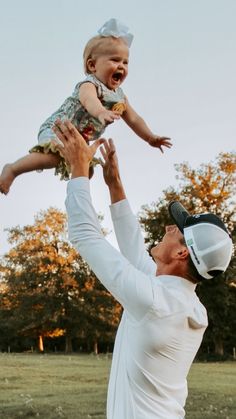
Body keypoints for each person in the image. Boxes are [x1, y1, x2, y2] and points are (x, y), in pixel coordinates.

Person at [52, 119, 233, 419]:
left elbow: (85, 234)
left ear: (181, 252)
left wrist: (78, 169)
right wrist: (115, 186)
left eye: (176, 230)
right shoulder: (177, 301)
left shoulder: (155, 302)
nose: (167, 226)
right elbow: (136, 254)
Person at [0, 18, 172, 195]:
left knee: (87, 170)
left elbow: (134, 119)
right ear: (92, 65)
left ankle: (76, 198)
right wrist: (101, 112)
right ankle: (12, 169)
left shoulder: (120, 96)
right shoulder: (89, 84)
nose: (121, 65)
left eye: (125, 62)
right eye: (114, 60)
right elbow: (89, 101)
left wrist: (150, 137)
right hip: (60, 128)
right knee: (53, 157)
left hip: (79, 139)